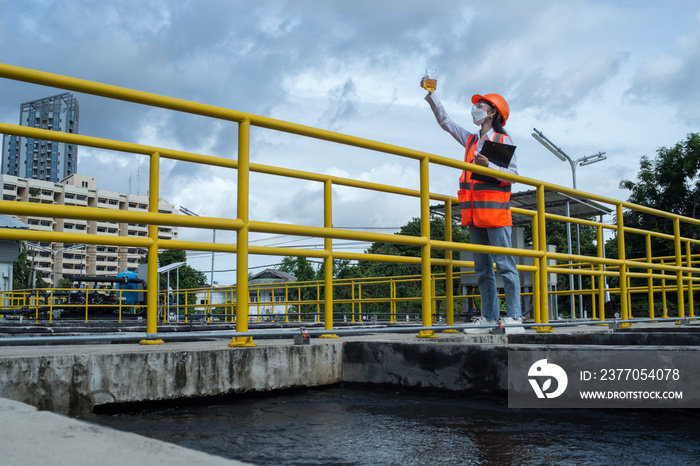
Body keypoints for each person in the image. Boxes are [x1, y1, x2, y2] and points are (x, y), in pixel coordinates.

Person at [422, 78, 524, 334]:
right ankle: (490, 318)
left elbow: (513, 175)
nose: (475, 108)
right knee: (481, 270)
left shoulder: (502, 139)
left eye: (480, 105)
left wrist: (488, 165)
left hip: (496, 214)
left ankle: (514, 317)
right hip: (474, 214)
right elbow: (446, 123)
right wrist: (432, 95)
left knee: (505, 266)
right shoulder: (470, 140)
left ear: (492, 112)